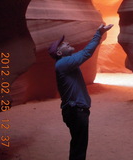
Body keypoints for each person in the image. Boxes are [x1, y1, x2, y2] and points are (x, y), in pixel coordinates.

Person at [48, 23, 113, 160]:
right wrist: (98, 33)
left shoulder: (66, 62)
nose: (67, 43)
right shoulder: (63, 64)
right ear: (59, 53)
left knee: (78, 144)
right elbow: (86, 53)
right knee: (79, 147)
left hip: (75, 110)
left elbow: (83, 53)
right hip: (75, 110)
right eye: (63, 44)